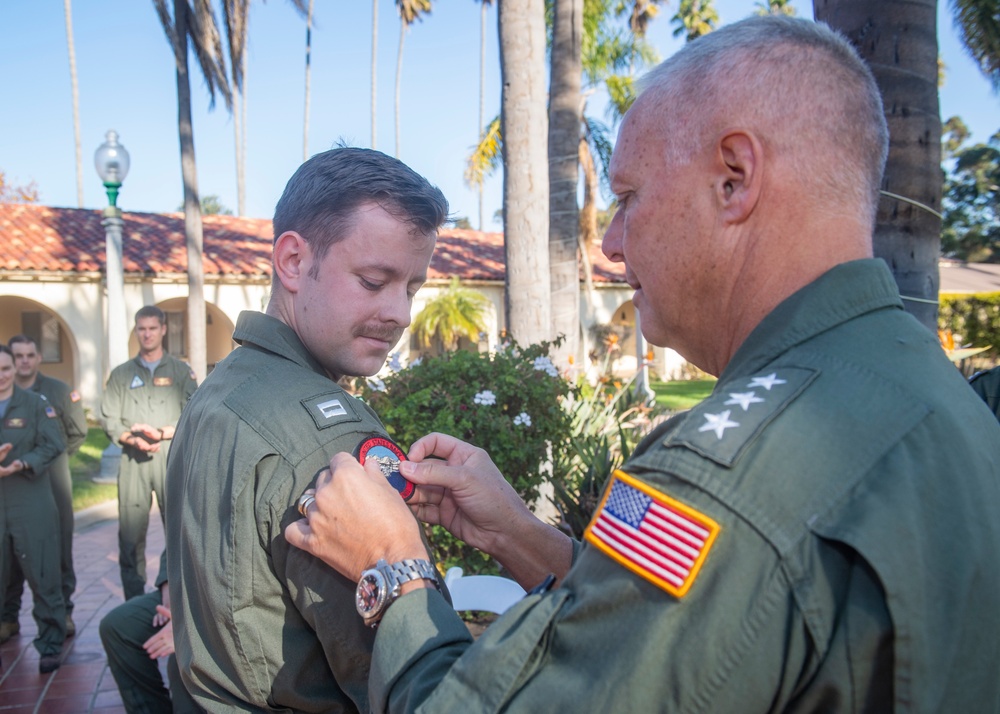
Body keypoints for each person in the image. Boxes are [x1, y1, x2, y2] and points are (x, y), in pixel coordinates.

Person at [285, 16, 1000, 712]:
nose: (613, 243)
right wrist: (517, 535)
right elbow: (698, 625)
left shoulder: (719, 483)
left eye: (628, 198)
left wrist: (396, 567)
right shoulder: (939, 392)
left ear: (733, 179)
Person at [165, 147, 448, 711]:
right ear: (293, 261)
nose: (400, 313)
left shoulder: (221, 387)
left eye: (412, 287)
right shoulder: (331, 443)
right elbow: (408, 678)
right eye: (373, 281)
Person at [101, 305, 197, 600]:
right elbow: (108, 418)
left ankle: (176, 602)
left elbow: (194, 414)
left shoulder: (181, 372)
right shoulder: (121, 375)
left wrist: (164, 432)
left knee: (178, 532)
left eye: (152, 328)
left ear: (163, 330)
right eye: (142, 329)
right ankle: (135, 601)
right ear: (136, 330)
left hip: (170, 457)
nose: (147, 334)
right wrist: (131, 437)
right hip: (134, 460)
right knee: (130, 537)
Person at [0, 334, 87, 643]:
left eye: (28, 355)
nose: (22, 361)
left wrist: (50, 462)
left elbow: (74, 434)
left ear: (37, 358)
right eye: (17, 355)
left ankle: (61, 611)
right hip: (11, 491)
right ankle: (7, 617)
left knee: (55, 551)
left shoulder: (56, 392)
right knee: (8, 557)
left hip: (52, 483)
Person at [0, 344, 66, 673]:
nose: (1, 376)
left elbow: (53, 443)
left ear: (15, 369)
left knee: (42, 572)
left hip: (29, 499)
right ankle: (5, 624)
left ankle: (51, 642)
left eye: (6, 369)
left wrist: (23, 462)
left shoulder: (35, 404)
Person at [99, 551, 198, 714]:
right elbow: (173, 546)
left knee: (184, 656)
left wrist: (188, 624)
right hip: (185, 587)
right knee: (118, 626)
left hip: (228, 600)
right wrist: (170, 597)